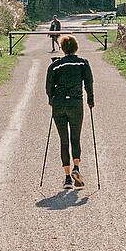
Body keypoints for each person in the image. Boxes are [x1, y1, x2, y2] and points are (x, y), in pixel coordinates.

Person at [46, 34, 95, 189]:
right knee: (75, 138)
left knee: (63, 140)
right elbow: (89, 83)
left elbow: (48, 87)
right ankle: (76, 168)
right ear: (76, 47)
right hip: (75, 103)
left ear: (62, 48)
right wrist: (90, 100)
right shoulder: (82, 63)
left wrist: (51, 100)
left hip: (59, 104)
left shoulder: (55, 66)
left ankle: (67, 178)